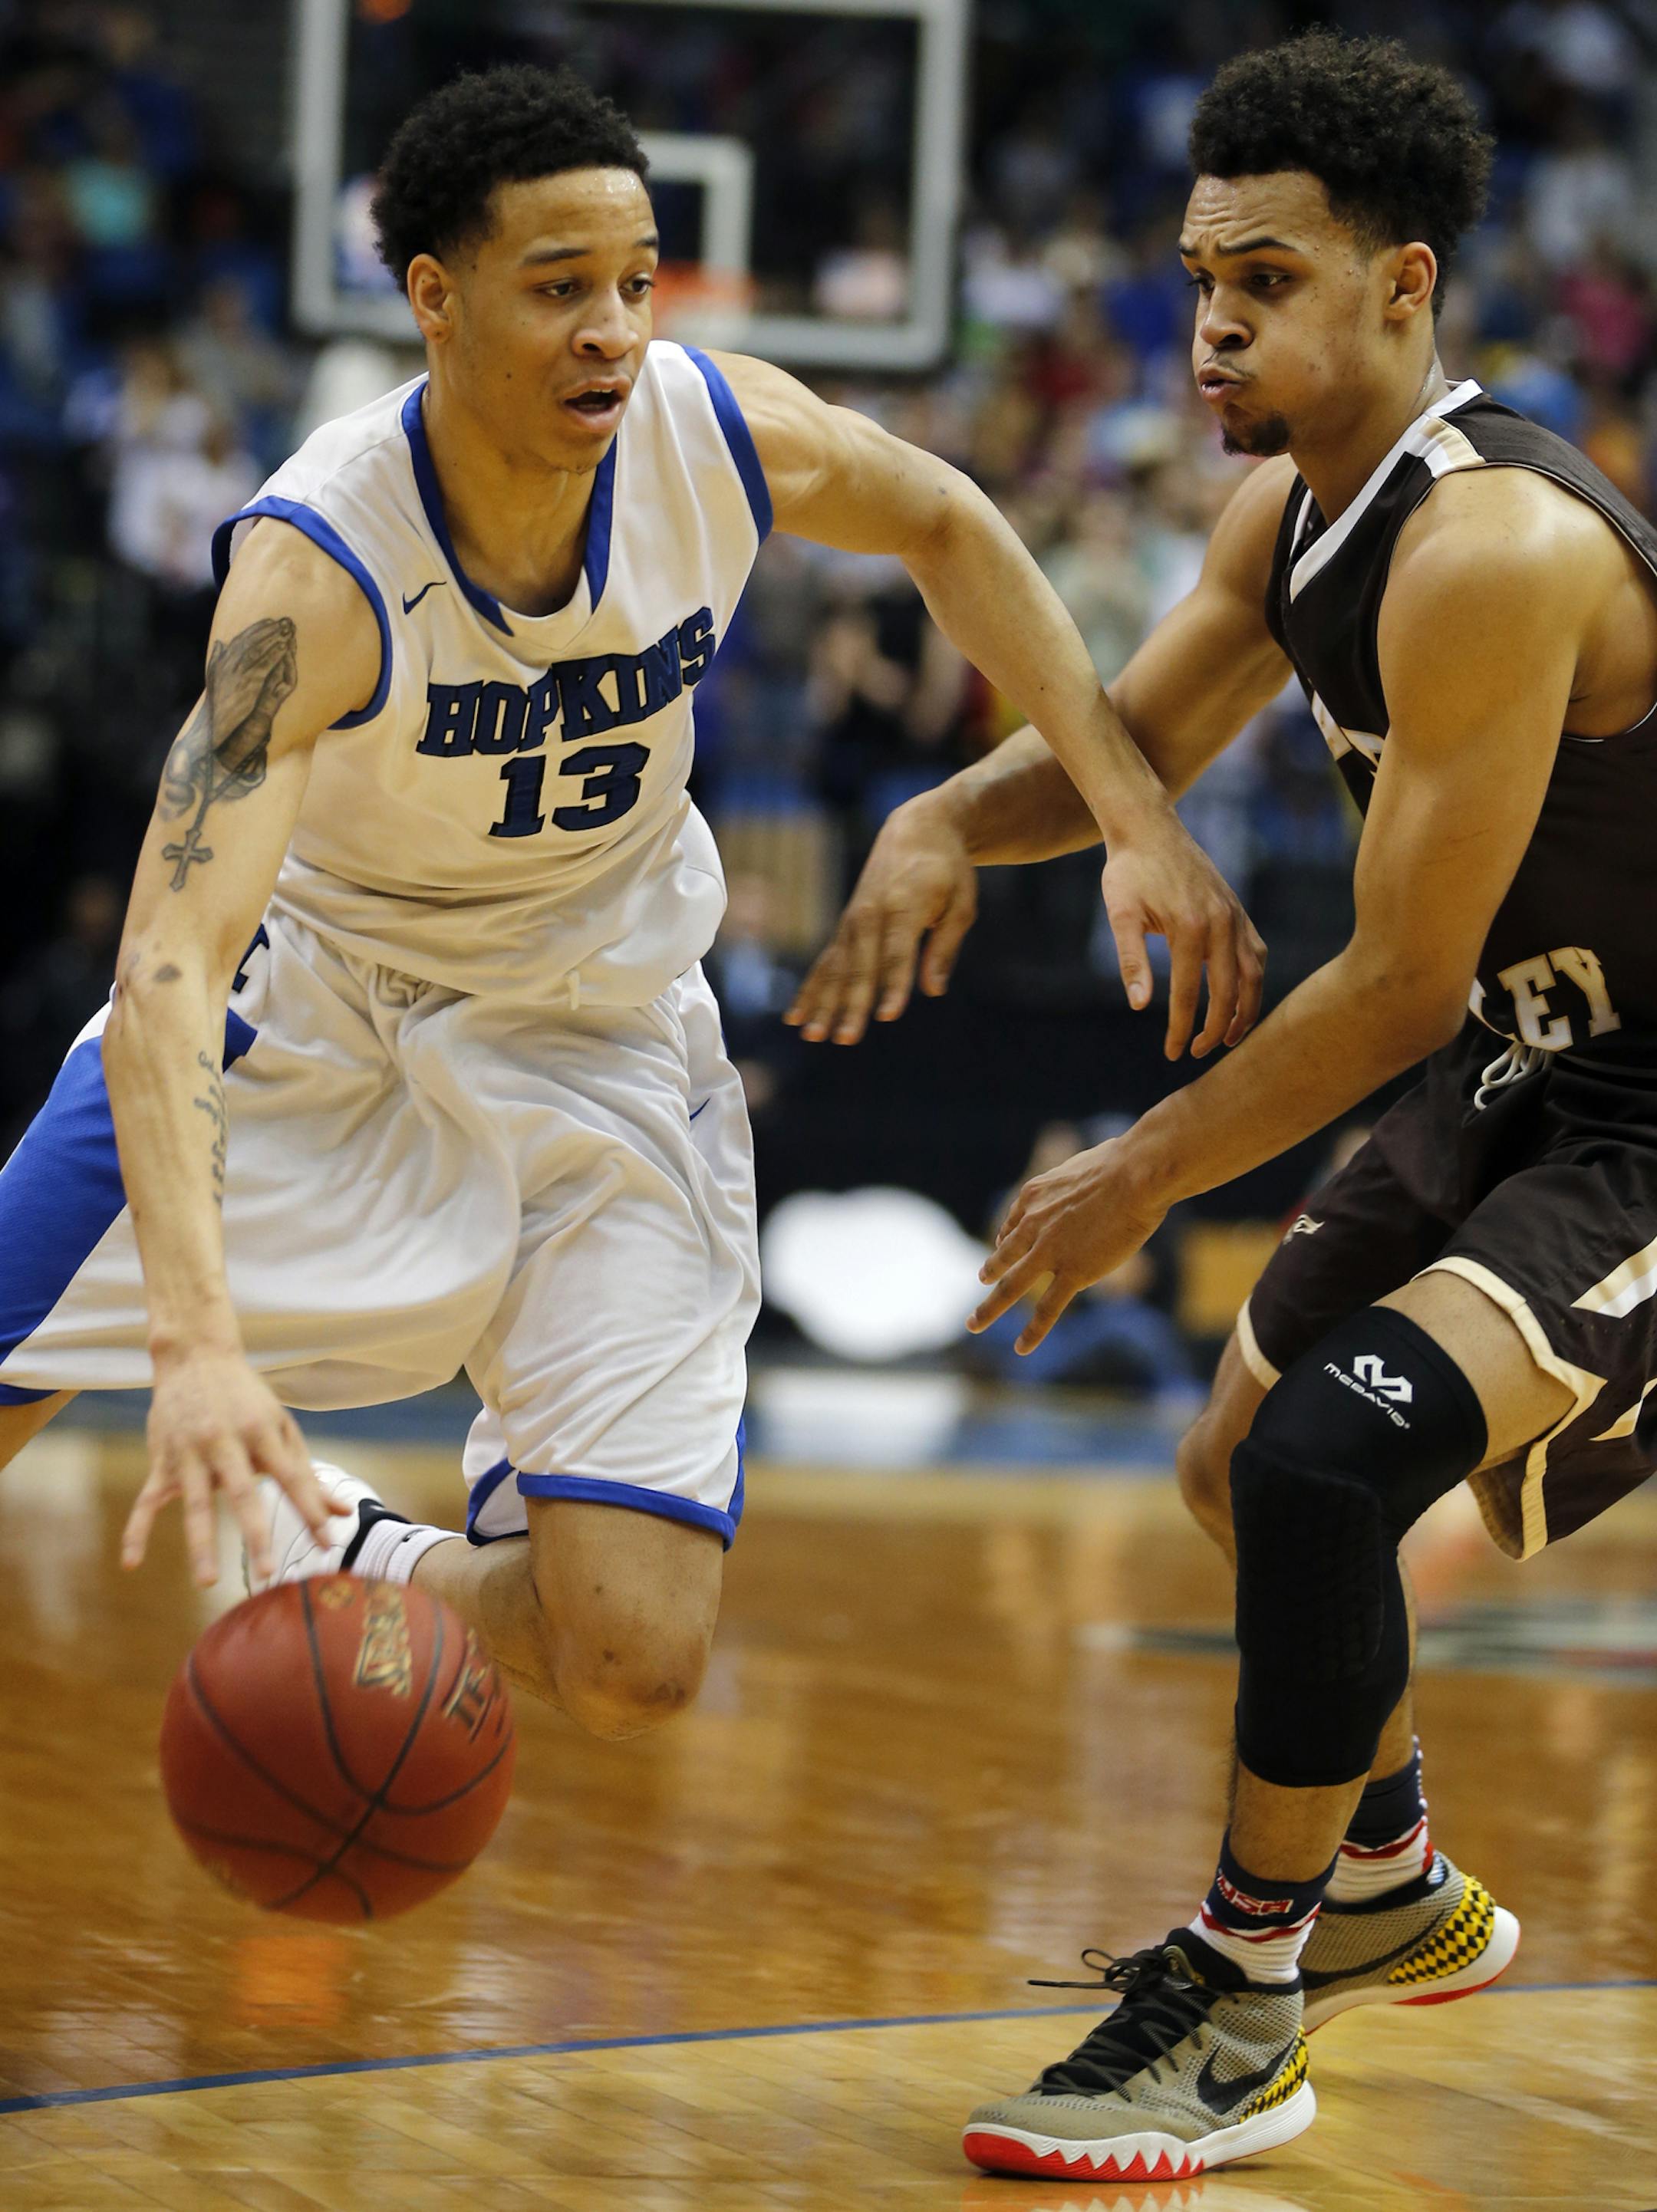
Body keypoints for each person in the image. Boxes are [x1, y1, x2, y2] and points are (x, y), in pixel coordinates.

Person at [0, 66, 1260, 1746]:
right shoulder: (318, 570)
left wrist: (1130, 814)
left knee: (635, 1654)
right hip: (321, 1018)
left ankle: (329, 1542)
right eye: (557, 289)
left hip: (599, 1032)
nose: (613, 330)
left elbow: (949, 520)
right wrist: (197, 1345)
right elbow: (165, 960)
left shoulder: (710, 428)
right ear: (433, 299)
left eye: (635, 283)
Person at [790, 28, 1657, 2180]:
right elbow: (1120, 764)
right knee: (1228, 1457)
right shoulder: (1288, 512)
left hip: (1646, 1103)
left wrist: (1130, 1178)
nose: (1210, 328)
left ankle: (1251, 1990)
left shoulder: (1498, 548)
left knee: (1325, 1458)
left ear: (1406, 283)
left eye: (1262, 280)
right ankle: (1387, 1884)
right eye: (1198, 281)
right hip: (1529, 1066)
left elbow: (1397, 978)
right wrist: (925, 817)